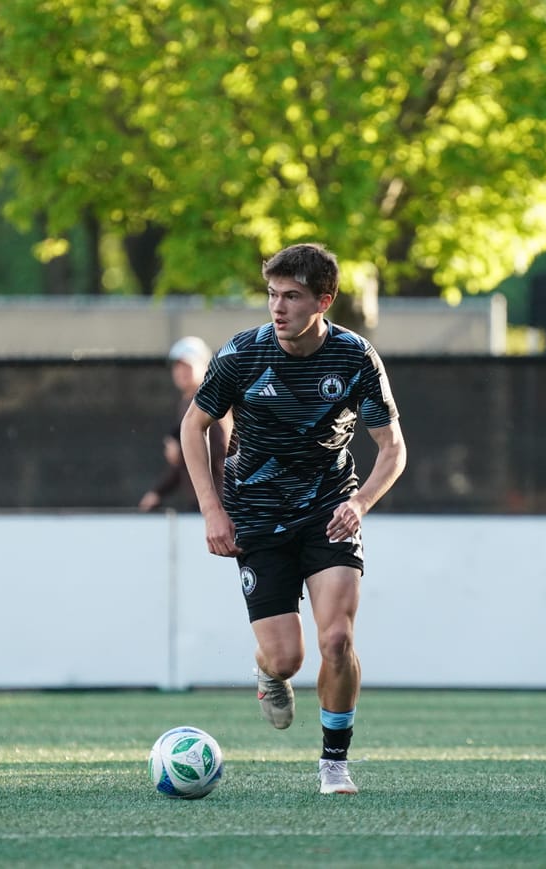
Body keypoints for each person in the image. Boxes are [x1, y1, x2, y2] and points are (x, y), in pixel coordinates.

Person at [179, 243, 407, 795]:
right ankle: (268, 674)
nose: (278, 308)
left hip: (329, 511)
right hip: (256, 514)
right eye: (272, 295)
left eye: (292, 297)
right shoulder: (242, 355)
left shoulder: (355, 358)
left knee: (335, 641)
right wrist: (212, 510)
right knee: (287, 657)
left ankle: (333, 765)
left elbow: (392, 447)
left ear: (323, 301)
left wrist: (358, 504)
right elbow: (194, 427)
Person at [137, 336, 229, 512]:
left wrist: (182, 449)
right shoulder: (188, 402)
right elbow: (183, 461)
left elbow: (222, 447)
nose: (181, 371)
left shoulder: (210, 399)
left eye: (187, 365)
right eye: (177, 366)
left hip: (220, 503)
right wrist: (158, 492)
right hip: (204, 503)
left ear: (205, 366)